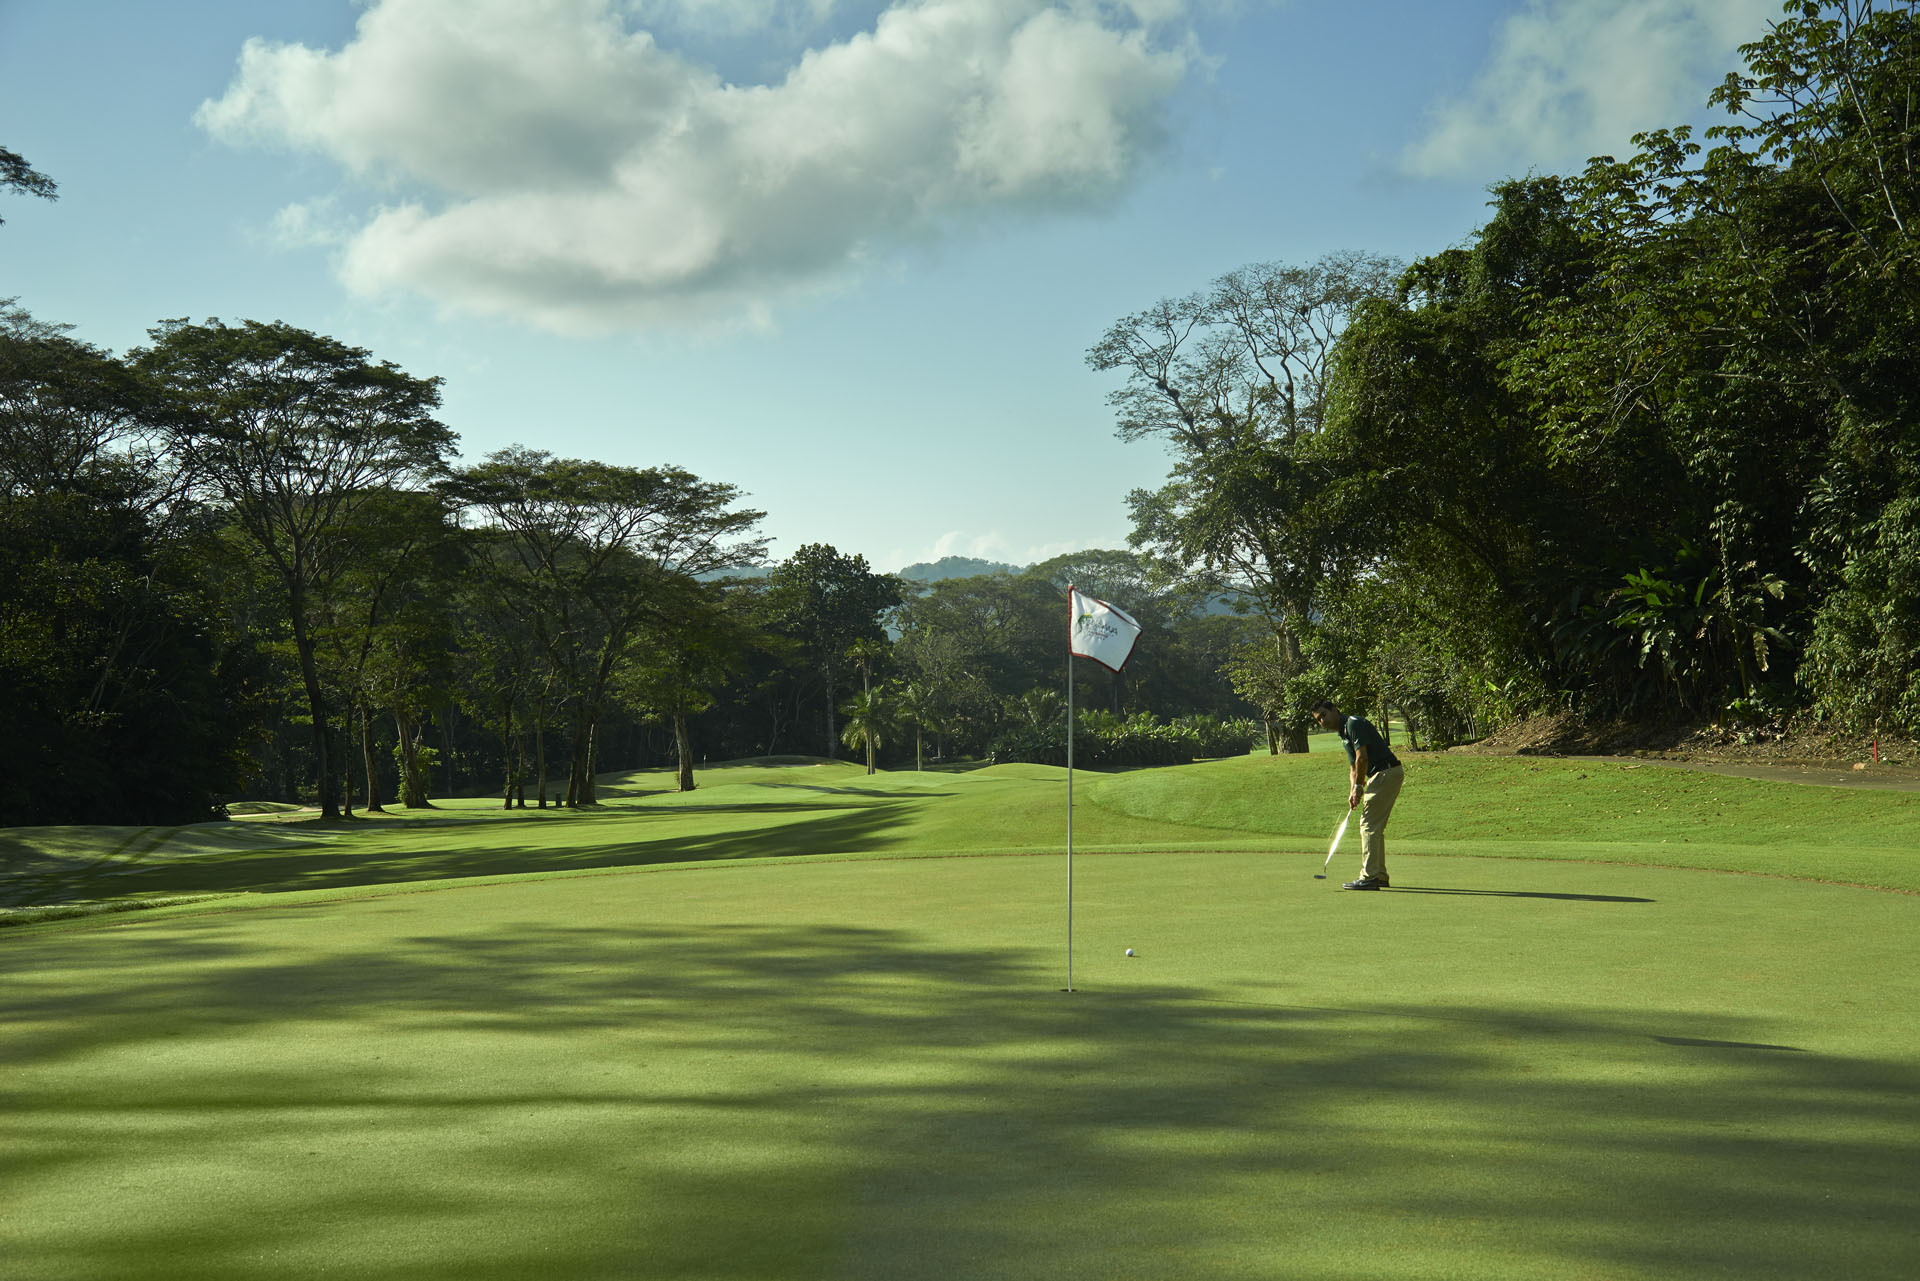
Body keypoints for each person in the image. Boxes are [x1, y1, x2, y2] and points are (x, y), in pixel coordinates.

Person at [1309, 699, 1404, 890]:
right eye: (1319, 719)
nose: (1322, 721)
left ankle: (1369, 877)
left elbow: (1363, 757)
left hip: (1385, 772)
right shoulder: (1343, 734)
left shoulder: (1353, 723)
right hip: (1385, 774)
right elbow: (1353, 767)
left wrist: (1360, 787)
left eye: (1324, 715)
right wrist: (1353, 790)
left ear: (1334, 710)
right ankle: (1379, 875)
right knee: (1374, 826)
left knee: (1368, 825)